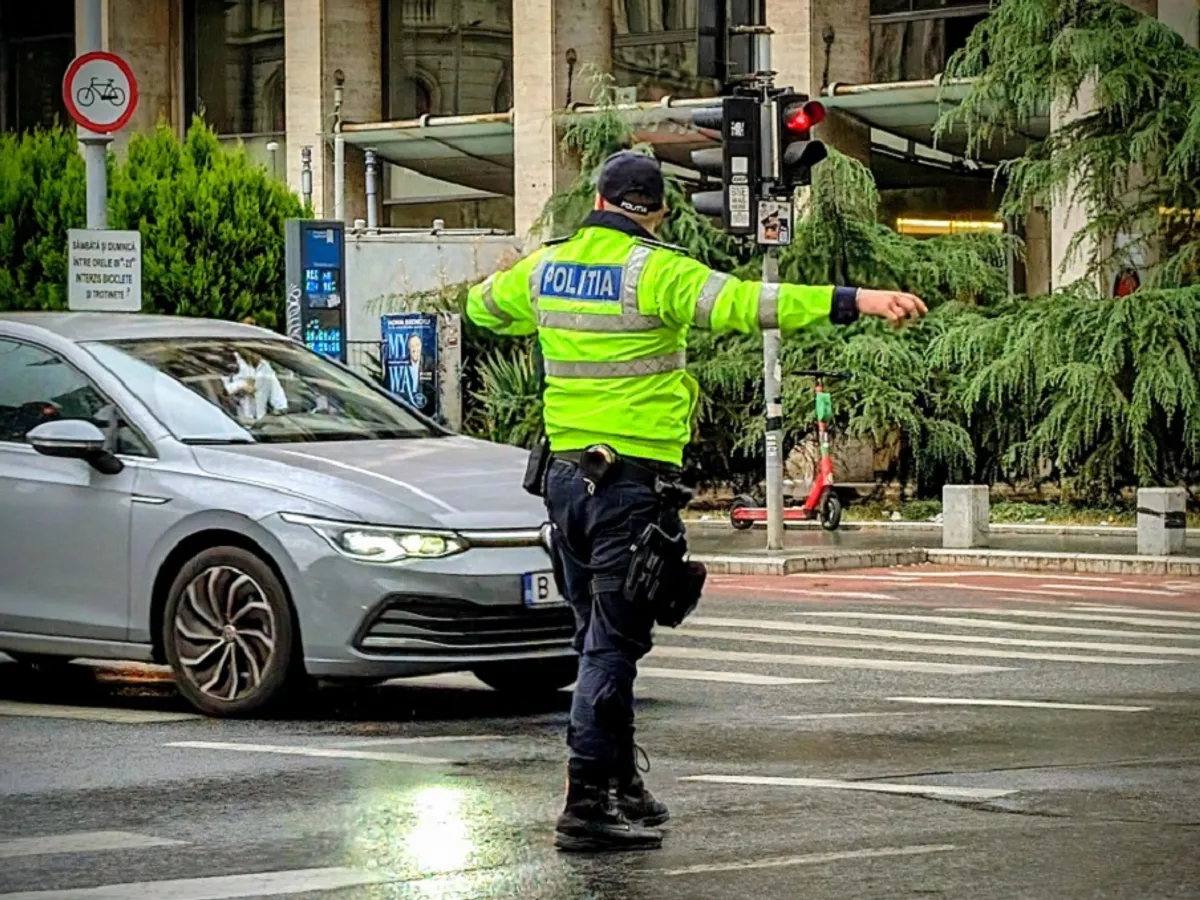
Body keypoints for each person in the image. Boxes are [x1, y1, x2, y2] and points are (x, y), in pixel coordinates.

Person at [465, 150, 926, 853]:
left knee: (595, 638)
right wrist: (853, 300)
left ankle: (621, 786)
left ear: (597, 197)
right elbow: (750, 305)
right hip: (627, 487)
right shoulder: (659, 271)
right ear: (654, 211)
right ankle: (586, 803)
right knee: (614, 647)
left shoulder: (546, 267)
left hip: (564, 483)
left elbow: (481, 306)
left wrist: (507, 272)